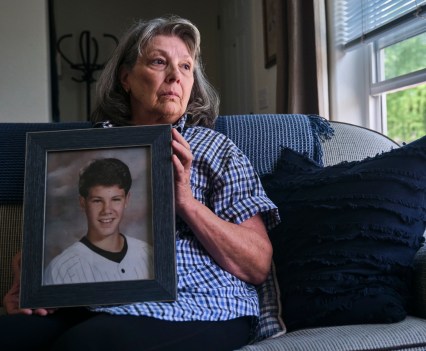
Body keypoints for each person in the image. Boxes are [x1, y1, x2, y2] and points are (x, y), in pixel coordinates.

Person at [1, 15, 279, 351]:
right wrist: (30, 273)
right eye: (160, 62)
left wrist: (185, 202)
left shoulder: (217, 149)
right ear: (126, 78)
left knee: (87, 345)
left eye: (186, 67)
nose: (176, 76)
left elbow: (257, 264)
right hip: (94, 304)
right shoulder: (83, 151)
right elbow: (63, 233)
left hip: (200, 305)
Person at [44, 157, 153, 285]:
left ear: (127, 200)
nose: (107, 210)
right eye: (97, 201)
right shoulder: (61, 270)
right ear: (83, 202)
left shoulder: (147, 253)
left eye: (116, 199)